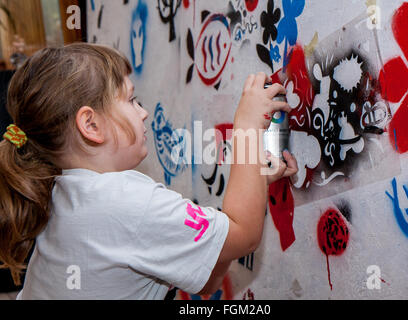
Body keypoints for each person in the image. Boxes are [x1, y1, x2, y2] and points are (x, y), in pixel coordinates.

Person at [0, 43, 298, 299]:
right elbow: (244, 235)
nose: (143, 112)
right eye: (131, 100)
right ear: (91, 125)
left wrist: (253, 179)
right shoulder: (125, 202)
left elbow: (208, 278)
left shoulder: (62, 192)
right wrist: (246, 127)